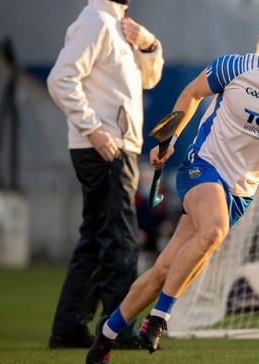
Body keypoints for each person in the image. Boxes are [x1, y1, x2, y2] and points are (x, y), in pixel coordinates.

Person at [86, 12, 259, 363]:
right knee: (214, 230)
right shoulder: (236, 67)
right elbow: (192, 93)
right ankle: (159, 318)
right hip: (203, 165)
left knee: (164, 271)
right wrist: (167, 141)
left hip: (240, 193)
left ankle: (106, 334)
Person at [46, 0, 164, 349]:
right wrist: (94, 130)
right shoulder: (97, 21)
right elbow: (60, 79)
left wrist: (149, 44)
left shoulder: (116, 24)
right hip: (105, 148)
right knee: (120, 240)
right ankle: (118, 330)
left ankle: (69, 328)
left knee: (98, 239)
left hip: (111, 147)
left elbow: (149, 78)